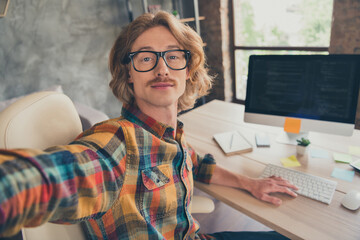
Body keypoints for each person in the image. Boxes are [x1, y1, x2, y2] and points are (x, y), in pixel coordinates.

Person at [0, 11, 298, 240]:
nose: (162, 68)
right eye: (145, 58)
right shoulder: (117, 143)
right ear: (128, 73)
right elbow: (46, 179)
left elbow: (196, 164)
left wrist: (250, 183)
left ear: (188, 69)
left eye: (173, 55)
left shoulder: (168, 134)